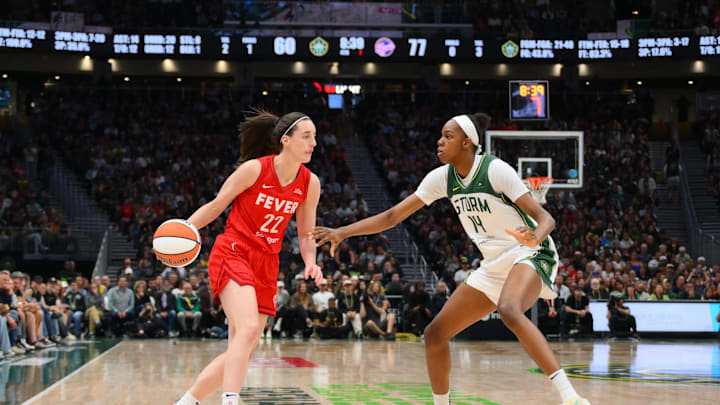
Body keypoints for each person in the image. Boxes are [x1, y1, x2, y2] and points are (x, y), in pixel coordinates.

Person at [312, 112, 590, 405]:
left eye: (448, 136)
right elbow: (394, 216)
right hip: (494, 261)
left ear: (468, 142)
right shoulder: (441, 178)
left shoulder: (495, 170)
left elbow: (546, 219)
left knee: (509, 309)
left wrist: (534, 236)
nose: (439, 141)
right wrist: (343, 231)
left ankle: (569, 397)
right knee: (434, 334)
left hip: (531, 250)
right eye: (441, 135)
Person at [173, 110, 322, 405]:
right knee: (251, 328)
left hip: (267, 262)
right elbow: (217, 206)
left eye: (315, 137)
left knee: (241, 348)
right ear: (286, 140)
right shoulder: (254, 170)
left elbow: (306, 235)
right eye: (307, 136)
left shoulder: (310, 183)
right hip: (234, 250)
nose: (314, 143)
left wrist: (310, 262)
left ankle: (186, 403)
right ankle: (231, 400)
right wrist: (184, 230)